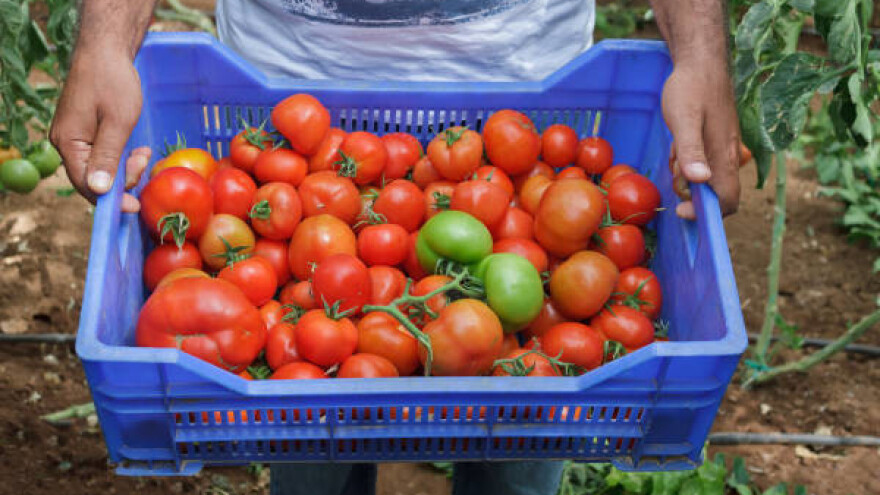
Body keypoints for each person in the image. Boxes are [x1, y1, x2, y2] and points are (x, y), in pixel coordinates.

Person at [50, 1, 740, 494]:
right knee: (309, 448)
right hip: (287, 72)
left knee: (524, 438)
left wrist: (702, 53)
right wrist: (105, 40)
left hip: (524, 64)